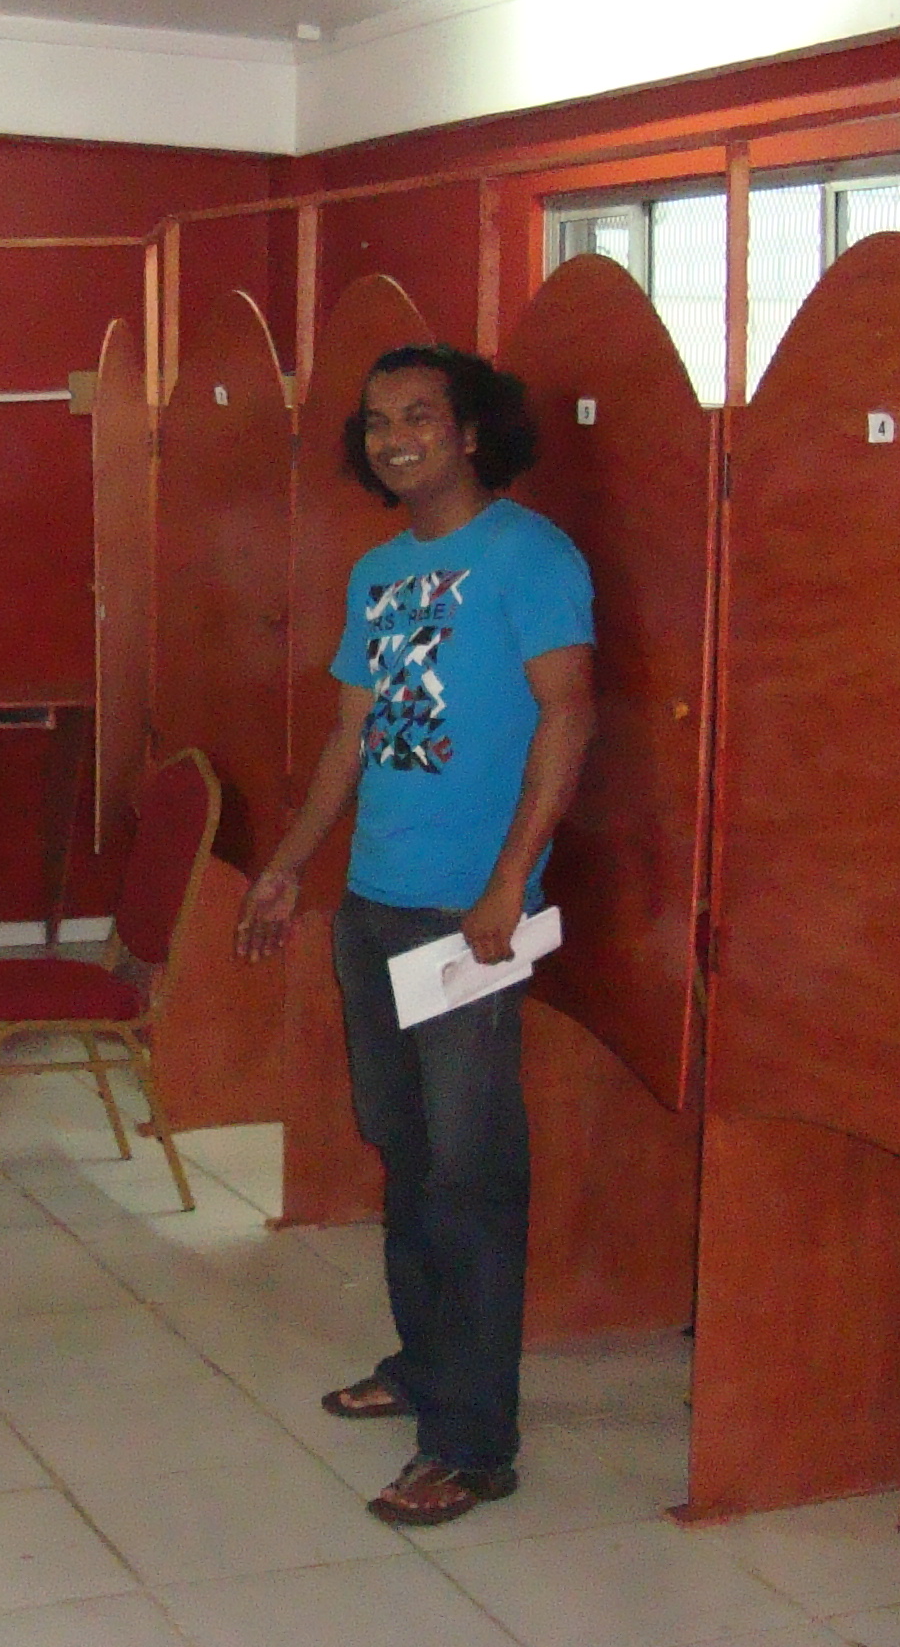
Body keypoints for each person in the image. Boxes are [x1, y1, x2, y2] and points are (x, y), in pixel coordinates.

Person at [236, 344, 595, 1527]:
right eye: (379, 420)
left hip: (468, 921)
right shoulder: (380, 571)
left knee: (471, 1177)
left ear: (472, 431)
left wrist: (510, 883)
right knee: (403, 1148)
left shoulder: (531, 556)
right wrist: (291, 865)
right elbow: (351, 738)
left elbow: (568, 715)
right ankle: (426, 1364)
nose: (396, 438)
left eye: (421, 417)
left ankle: (474, 1444)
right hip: (376, 906)